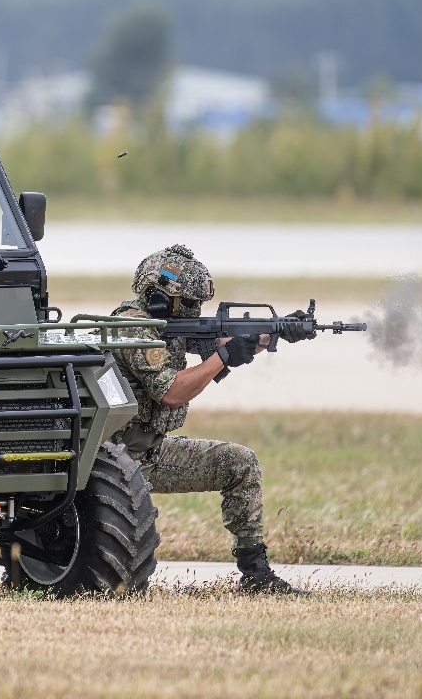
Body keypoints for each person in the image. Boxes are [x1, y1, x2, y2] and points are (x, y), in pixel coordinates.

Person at [112, 243, 306, 595]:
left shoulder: (167, 325)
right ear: (160, 296)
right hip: (116, 459)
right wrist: (225, 356)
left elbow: (225, 344)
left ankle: (256, 574)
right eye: (187, 302)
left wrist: (272, 333)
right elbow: (172, 391)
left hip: (149, 452)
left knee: (240, 463)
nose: (193, 310)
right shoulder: (133, 328)